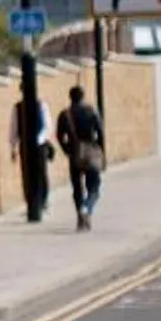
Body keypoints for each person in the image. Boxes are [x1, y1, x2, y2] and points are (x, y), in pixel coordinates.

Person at [55, 83, 106, 228]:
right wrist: (101, 152)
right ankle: (86, 208)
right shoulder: (92, 111)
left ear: (70, 97)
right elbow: (100, 133)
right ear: (83, 97)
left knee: (77, 187)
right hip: (91, 151)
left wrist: (67, 150)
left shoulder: (65, 114)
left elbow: (59, 136)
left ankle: (80, 217)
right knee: (94, 188)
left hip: (75, 153)